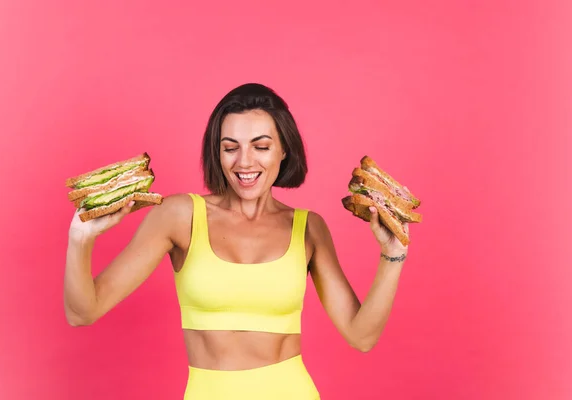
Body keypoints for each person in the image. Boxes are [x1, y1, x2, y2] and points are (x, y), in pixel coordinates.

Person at [64, 83, 410, 399]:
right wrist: (81, 240)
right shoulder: (179, 215)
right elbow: (83, 312)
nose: (245, 161)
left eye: (261, 146)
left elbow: (361, 336)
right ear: (217, 153)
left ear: (284, 150)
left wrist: (392, 255)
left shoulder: (308, 228)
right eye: (230, 148)